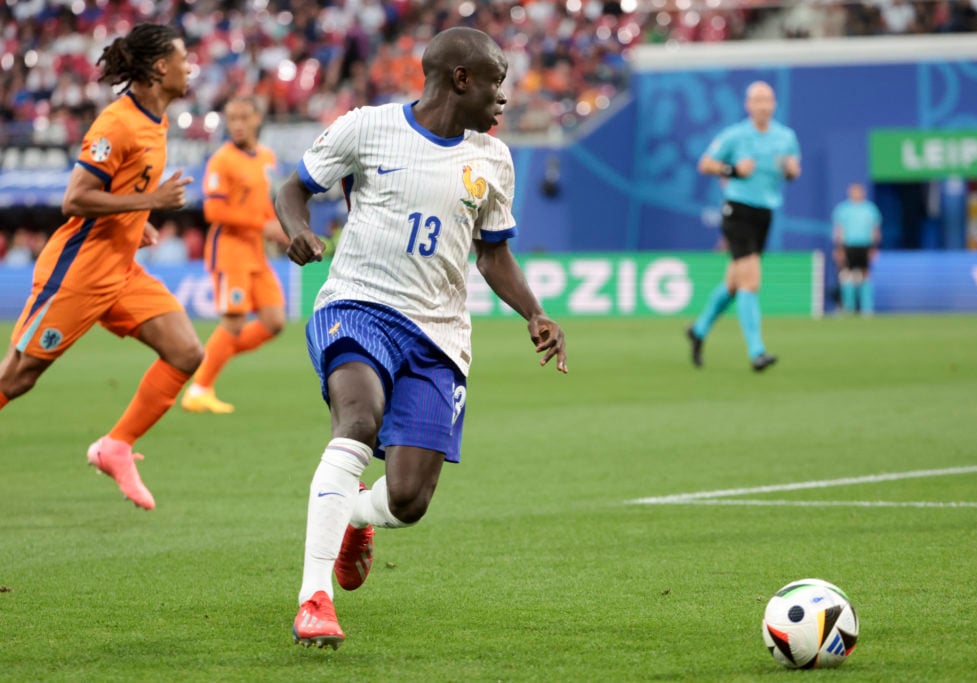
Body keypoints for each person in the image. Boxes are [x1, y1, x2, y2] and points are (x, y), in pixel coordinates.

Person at [274, 26, 569, 649]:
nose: (504, 99)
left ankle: (357, 516)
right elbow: (293, 187)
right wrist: (296, 228)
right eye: (497, 83)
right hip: (357, 304)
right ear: (462, 79)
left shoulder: (494, 160)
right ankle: (314, 598)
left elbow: (493, 256)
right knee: (356, 421)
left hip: (438, 336)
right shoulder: (366, 127)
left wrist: (534, 314)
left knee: (409, 500)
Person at [0, 24, 202, 510]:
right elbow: (75, 199)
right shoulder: (118, 123)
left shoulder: (156, 119)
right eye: (182, 57)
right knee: (18, 378)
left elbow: (121, 191)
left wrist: (139, 218)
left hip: (121, 269)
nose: (190, 65)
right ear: (159, 68)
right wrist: (152, 201)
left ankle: (115, 447)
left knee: (186, 352)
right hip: (79, 271)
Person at [181, 95, 286, 414]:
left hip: (256, 250)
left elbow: (266, 203)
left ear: (257, 118)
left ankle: (212, 356)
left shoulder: (267, 157)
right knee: (234, 321)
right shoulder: (222, 160)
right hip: (230, 250)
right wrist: (262, 225)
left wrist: (278, 228)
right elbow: (213, 210)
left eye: (244, 117)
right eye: (232, 118)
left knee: (274, 321)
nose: (238, 124)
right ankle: (199, 389)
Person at [686, 81, 801, 372]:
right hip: (737, 211)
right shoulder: (735, 135)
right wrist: (733, 170)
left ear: (774, 104)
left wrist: (790, 171)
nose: (763, 105)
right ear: (748, 105)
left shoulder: (785, 137)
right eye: (757, 100)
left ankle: (698, 330)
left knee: (734, 283)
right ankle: (757, 352)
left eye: (768, 100)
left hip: (765, 213)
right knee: (751, 281)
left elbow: (793, 171)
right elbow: (706, 164)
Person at [832, 182, 881, 316]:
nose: (856, 194)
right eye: (854, 191)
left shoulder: (870, 209)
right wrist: (839, 249)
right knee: (847, 274)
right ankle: (848, 307)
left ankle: (867, 308)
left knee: (864, 275)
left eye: (859, 191)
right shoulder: (843, 209)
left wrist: (873, 248)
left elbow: (875, 230)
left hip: (865, 245)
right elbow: (839, 230)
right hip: (848, 245)